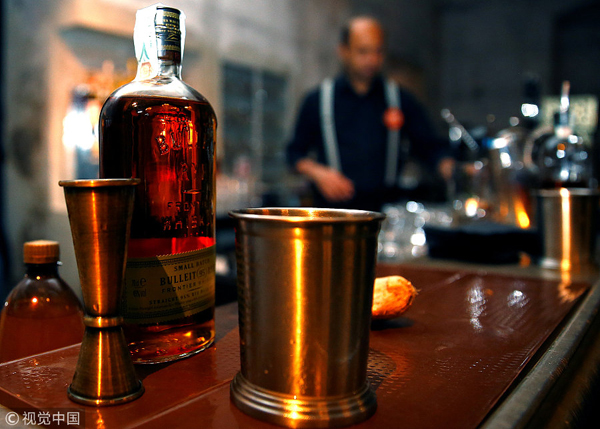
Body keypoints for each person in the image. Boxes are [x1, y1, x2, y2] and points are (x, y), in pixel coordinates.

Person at [286, 16, 454, 212]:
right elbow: (294, 154)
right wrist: (318, 173)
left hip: (385, 211)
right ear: (343, 51)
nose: (372, 60)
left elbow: (430, 147)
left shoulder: (400, 100)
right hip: (333, 212)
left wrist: (453, 169)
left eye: (378, 51)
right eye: (363, 51)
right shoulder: (318, 100)